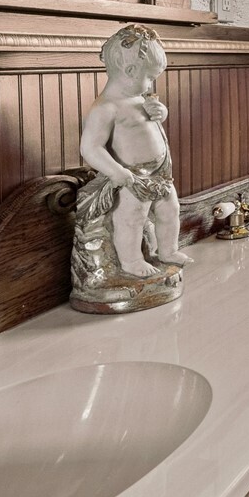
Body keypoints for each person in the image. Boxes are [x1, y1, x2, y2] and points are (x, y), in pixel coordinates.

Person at [70, 23, 186, 312]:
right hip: (132, 177)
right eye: (150, 78)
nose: (151, 85)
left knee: (170, 211)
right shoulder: (106, 107)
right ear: (131, 73)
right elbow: (90, 148)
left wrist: (162, 113)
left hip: (160, 174)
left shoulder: (138, 99)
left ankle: (167, 249)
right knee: (130, 220)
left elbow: (150, 127)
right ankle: (132, 261)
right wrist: (117, 172)